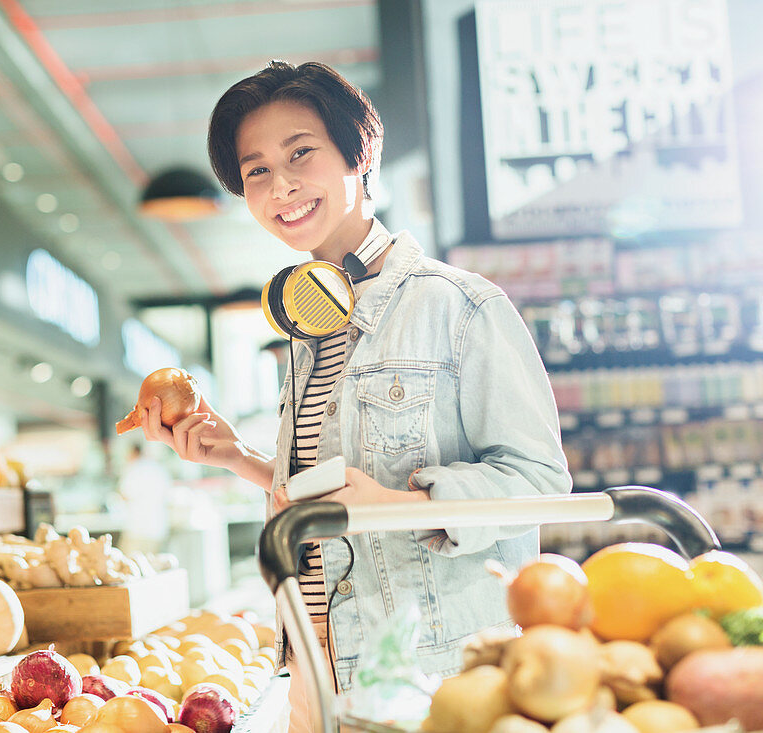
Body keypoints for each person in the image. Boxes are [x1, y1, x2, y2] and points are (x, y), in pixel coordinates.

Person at [139, 61, 571, 732]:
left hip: (430, 673)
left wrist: (404, 507)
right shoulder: (308, 326)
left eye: (300, 153)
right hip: (316, 664)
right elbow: (338, 495)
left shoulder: (459, 306)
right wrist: (243, 459)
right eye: (255, 171)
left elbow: (540, 482)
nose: (280, 185)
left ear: (360, 154)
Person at [116, 442, 172, 554]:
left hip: (138, 528)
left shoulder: (134, 469)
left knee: (130, 565)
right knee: (151, 566)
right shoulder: (159, 469)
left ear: (133, 452)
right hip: (157, 528)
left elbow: (125, 495)